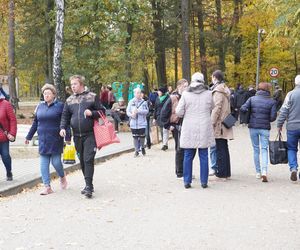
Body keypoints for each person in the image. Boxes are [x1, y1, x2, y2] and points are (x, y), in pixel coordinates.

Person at [60, 75, 105, 198]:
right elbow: (65, 116)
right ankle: (88, 184)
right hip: (77, 136)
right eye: (71, 84)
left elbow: (102, 112)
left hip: (90, 134)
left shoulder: (92, 97)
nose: (73, 86)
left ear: (81, 84)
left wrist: (92, 113)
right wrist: (63, 128)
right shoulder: (69, 100)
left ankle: (89, 187)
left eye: (75, 84)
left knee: (88, 159)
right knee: (82, 161)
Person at [25, 84, 69, 195]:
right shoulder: (40, 106)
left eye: (48, 93)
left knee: (56, 162)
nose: (46, 95)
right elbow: (35, 123)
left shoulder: (60, 106)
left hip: (55, 138)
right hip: (43, 139)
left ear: (54, 95)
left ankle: (62, 176)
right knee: (43, 164)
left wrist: (68, 136)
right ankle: (47, 186)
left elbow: (65, 121)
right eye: (44, 93)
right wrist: (28, 137)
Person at [176, 73, 215, 189]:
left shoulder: (186, 94)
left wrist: (186, 113)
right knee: (204, 155)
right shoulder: (208, 94)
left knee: (188, 155)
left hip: (189, 126)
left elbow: (178, 111)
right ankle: (204, 182)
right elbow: (212, 107)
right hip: (204, 125)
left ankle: (187, 181)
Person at [240, 82, 277, 182]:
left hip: (253, 127)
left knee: (256, 149)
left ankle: (258, 172)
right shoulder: (272, 101)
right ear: (268, 89)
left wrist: (249, 114)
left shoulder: (252, 99)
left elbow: (243, 108)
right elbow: (273, 117)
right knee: (264, 149)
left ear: (258, 89)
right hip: (265, 128)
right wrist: (266, 119)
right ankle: (264, 171)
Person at [161, 79, 189, 178]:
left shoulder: (188, 96)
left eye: (187, 86)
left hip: (187, 125)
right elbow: (163, 113)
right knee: (180, 148)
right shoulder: (173, 98)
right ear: (179, 87)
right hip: (177, 126)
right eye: (184, 86)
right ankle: (180, 172)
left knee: (187, 149)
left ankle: (186, 171)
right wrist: (168, 125)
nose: (186, 88)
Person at [277, 75, 300, 182]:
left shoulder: (290, 94)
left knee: (291, 148)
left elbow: (284, 110)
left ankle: (293, 168)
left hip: (292, 127)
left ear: (295, 83)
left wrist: (279, 124)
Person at [211, 70, 233, 179]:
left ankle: (221, 173)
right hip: (225, 121)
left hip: (219, 124)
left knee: (220, 148)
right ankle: (226, 172)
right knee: (224, 147)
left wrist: (212, 122)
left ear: (215, 77)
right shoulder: (225, 89)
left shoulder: (218, 91)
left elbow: (217, 108)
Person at [126, 88, 149, 157]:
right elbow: (128, 111)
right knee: (135, 137)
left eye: (139, 93)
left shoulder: (144, 102)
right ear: (134, 94)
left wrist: (139, 111)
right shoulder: (131, 102)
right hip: (133, 123)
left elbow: (146, 111)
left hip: (142, 123)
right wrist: (131, 115)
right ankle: (136, 150)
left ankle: (142, 147)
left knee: (142, 137)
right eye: (137, 93)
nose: (139, 94)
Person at [0, 91, 17, 181]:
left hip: (3, 137)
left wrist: (12, 133)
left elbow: (12, 120)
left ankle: (8, 171)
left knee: (5, 156)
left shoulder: (5, 104)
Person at [153, 86, 170, 151]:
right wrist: (154, 118)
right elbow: (156, 108)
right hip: (159, 116)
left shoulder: (168, 98)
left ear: (162, 92)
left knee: (165, 130)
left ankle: (164, 144)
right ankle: (164, 143)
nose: (158, 92)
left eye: (159, 91)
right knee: (161, 130)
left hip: (165, 116)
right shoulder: (157, 98)